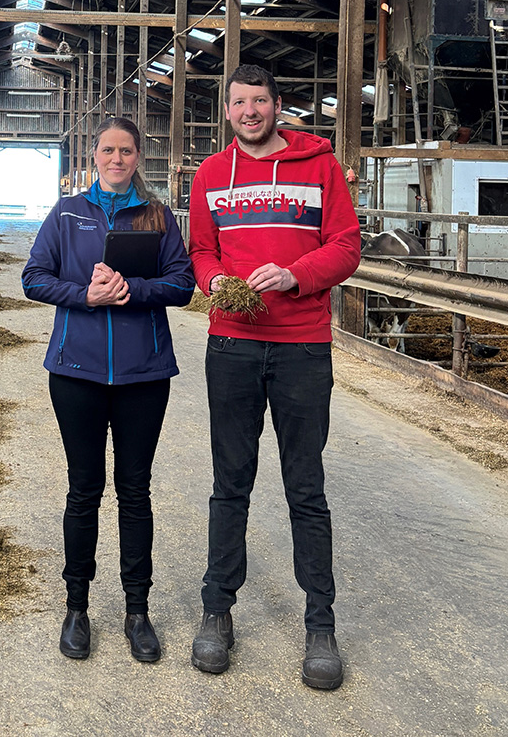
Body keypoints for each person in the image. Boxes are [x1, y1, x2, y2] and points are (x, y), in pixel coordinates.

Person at [187, 64, 361, 689]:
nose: (249, 111)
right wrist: (216, 285)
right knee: (229, 483)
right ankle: (217, 612)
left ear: (276, 105)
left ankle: (320, 623)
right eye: (238, 102)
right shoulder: (211, 175)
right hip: (232, 346)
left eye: (259, 101)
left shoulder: (320, 167)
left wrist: (296, 275)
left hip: (301, 349)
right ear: (227, 110)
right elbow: (201, 251)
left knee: (305, 488)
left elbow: (346, 245)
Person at [22, 116, 194, 663]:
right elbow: (33, 277)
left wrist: (131, 290)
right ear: (93, 156)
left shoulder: (157, 216)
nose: (116, 159)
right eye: (107, 151)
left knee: (136, 491)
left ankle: (137, 610)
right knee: (83, 489)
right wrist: (84, 296)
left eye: (126, 151)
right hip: (76, 371)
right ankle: (77, 607)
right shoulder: (67, 213)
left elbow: (183, 283)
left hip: (143, 373)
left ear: (138, 157)